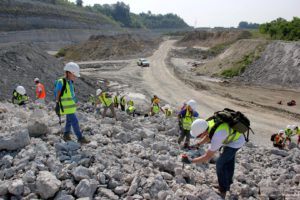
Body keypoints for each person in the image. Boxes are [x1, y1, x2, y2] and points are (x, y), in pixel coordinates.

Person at [181, 118, 246, 199]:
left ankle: (223, 189)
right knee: (229, 161)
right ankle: (228, 183)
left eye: (198, 136)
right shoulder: (207, 124)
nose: (198, 137)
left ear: (203, 131)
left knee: (220, 163)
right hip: (233, 137)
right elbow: (208, 135)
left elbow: (207, 157)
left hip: (236, 142)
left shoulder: (218, 135)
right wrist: (197, 144)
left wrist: (190, 161)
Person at [55, 62, 90, 144]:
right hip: (66, 107)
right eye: (74, 75)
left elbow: (71, 95)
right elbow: (58, 93)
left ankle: (66, 134)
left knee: (69, 121)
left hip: (70, 107)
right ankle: (80, 138)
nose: (75, 77)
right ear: (69, 72)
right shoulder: (61, 82)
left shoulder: (70, 82)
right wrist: (57, 105)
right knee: (75, 121)